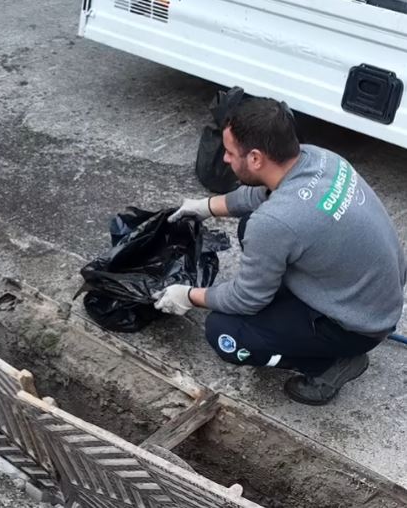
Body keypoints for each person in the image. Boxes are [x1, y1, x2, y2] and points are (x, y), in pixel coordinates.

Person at [155, 97, 406, 405]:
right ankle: (303, 320)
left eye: (231, 153)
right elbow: (260, 192)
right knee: (251, 225)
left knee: (225, 334)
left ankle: (333, 364)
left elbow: (246, 299)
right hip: (374, 291)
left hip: (357, 325)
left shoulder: (277, 222)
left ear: (257, 158)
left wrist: (187, 296)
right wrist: (205, 207)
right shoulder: (319, 158)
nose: (225, 160)